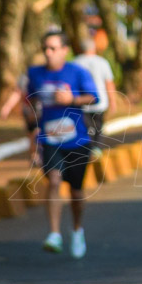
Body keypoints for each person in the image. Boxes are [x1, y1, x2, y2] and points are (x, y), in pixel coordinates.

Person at [25, 31, 99, 258]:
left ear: (65, 50)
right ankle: (55, 234)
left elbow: (94, 97)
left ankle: (77, 230)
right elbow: (30, 102)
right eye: (45, 48)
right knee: (54, 180)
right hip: (50, 140)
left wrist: (72, 100)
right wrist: (32, 129)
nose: (48, 53)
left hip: (77, 140)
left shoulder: (77, 72)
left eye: (53, 48)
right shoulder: (35, 74)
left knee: (76, 193)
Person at [71, 38, 117, 157]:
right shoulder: (102, 62)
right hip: (100, 102)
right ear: (93, 48)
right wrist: (113, 101)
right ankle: (96, 149)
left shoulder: (75, 63)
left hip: (81, 102)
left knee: (86, 127)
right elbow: (109, 83)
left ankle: (89, 149)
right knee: (98, 126)